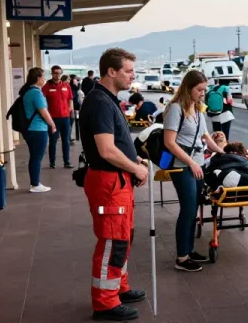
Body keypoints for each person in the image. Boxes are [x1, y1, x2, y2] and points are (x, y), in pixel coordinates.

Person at [79, 48, 149, 321]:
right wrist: (136, 168)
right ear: (111, 71)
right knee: (112, 241)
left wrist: (134, 159)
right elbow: (106, 150)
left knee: (123, 236)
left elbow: (117, 142)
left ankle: (118, 286)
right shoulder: (100, 102)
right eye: (128, 71)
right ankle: (105, 303)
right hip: (109, 183)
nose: (133, 76)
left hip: (117, 181)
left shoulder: (107, 99)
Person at [163, 70, 225, 273]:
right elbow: (169, 142)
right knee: (188, 209)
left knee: (194, 209)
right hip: (182, 166)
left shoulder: (197, 109)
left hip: (198, 165)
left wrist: (222, 152)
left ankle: (189, 250)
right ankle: (182, 257)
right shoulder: (175, 109)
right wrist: (191, 163)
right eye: (199, 89)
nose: (202, 93)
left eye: (204, 90)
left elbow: (205, 137)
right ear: (188, 88)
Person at [20, 67, 57, 193]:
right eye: (43, 76)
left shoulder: (28, 91)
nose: (45, 79)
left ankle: (35, 183)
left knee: (34, 156)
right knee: (37, 157)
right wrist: (52, 124)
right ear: (38, 78)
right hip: (37, 129)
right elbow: (43, 111)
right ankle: (35, 184)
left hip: (31, 129)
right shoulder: (36, 93)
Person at [42, 65, 74, 168]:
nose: (58, 75)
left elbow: (70, 98)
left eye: (59, 73)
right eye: (55, 73)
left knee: (66, 140)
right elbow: (42, 102)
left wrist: (70, 109)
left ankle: (66, 161)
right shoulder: (46, 87)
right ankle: (52, 162)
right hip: (53, 119)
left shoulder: (66, 86)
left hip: (65, 118)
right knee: (53, 141)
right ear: (51, 74)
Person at [70, 74, 81, 142]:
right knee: (72, 119)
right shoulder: (72, 86)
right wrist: (78, 83)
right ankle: (71, 135)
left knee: (74, 119)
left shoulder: (71, 85)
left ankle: (72, 135)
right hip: (74, 103)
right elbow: (77, 88)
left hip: (75, 103)